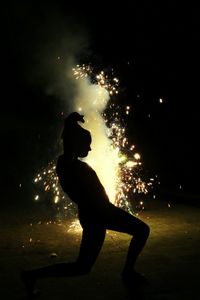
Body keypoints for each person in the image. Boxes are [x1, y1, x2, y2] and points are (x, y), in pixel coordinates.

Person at [21, 112, 150, 297]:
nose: (89, 149)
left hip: (98, 214)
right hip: (98, 214)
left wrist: (70, 124)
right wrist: (69, 125)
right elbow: (70, 156)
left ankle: (31, 276)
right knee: (141, 231)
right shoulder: (67, 164)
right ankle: (31, 275)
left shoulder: (71, 163)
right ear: (75, 143)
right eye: (86, 144)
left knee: (82, 267)